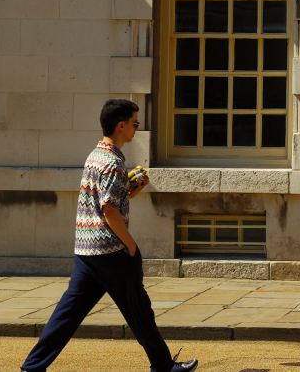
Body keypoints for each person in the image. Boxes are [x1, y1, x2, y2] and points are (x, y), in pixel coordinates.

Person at [21, 100, 198, 372]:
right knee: (139, 310)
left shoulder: (95, 155)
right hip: (111, 251)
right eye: (135, 123)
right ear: (121, 125)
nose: (137, 128)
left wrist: (132, 189)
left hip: (86, 250)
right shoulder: (114, 162)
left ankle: (32, 367)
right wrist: (130, 244)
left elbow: (104, 200)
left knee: (67, 315)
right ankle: (163, 366)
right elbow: (109, 209)